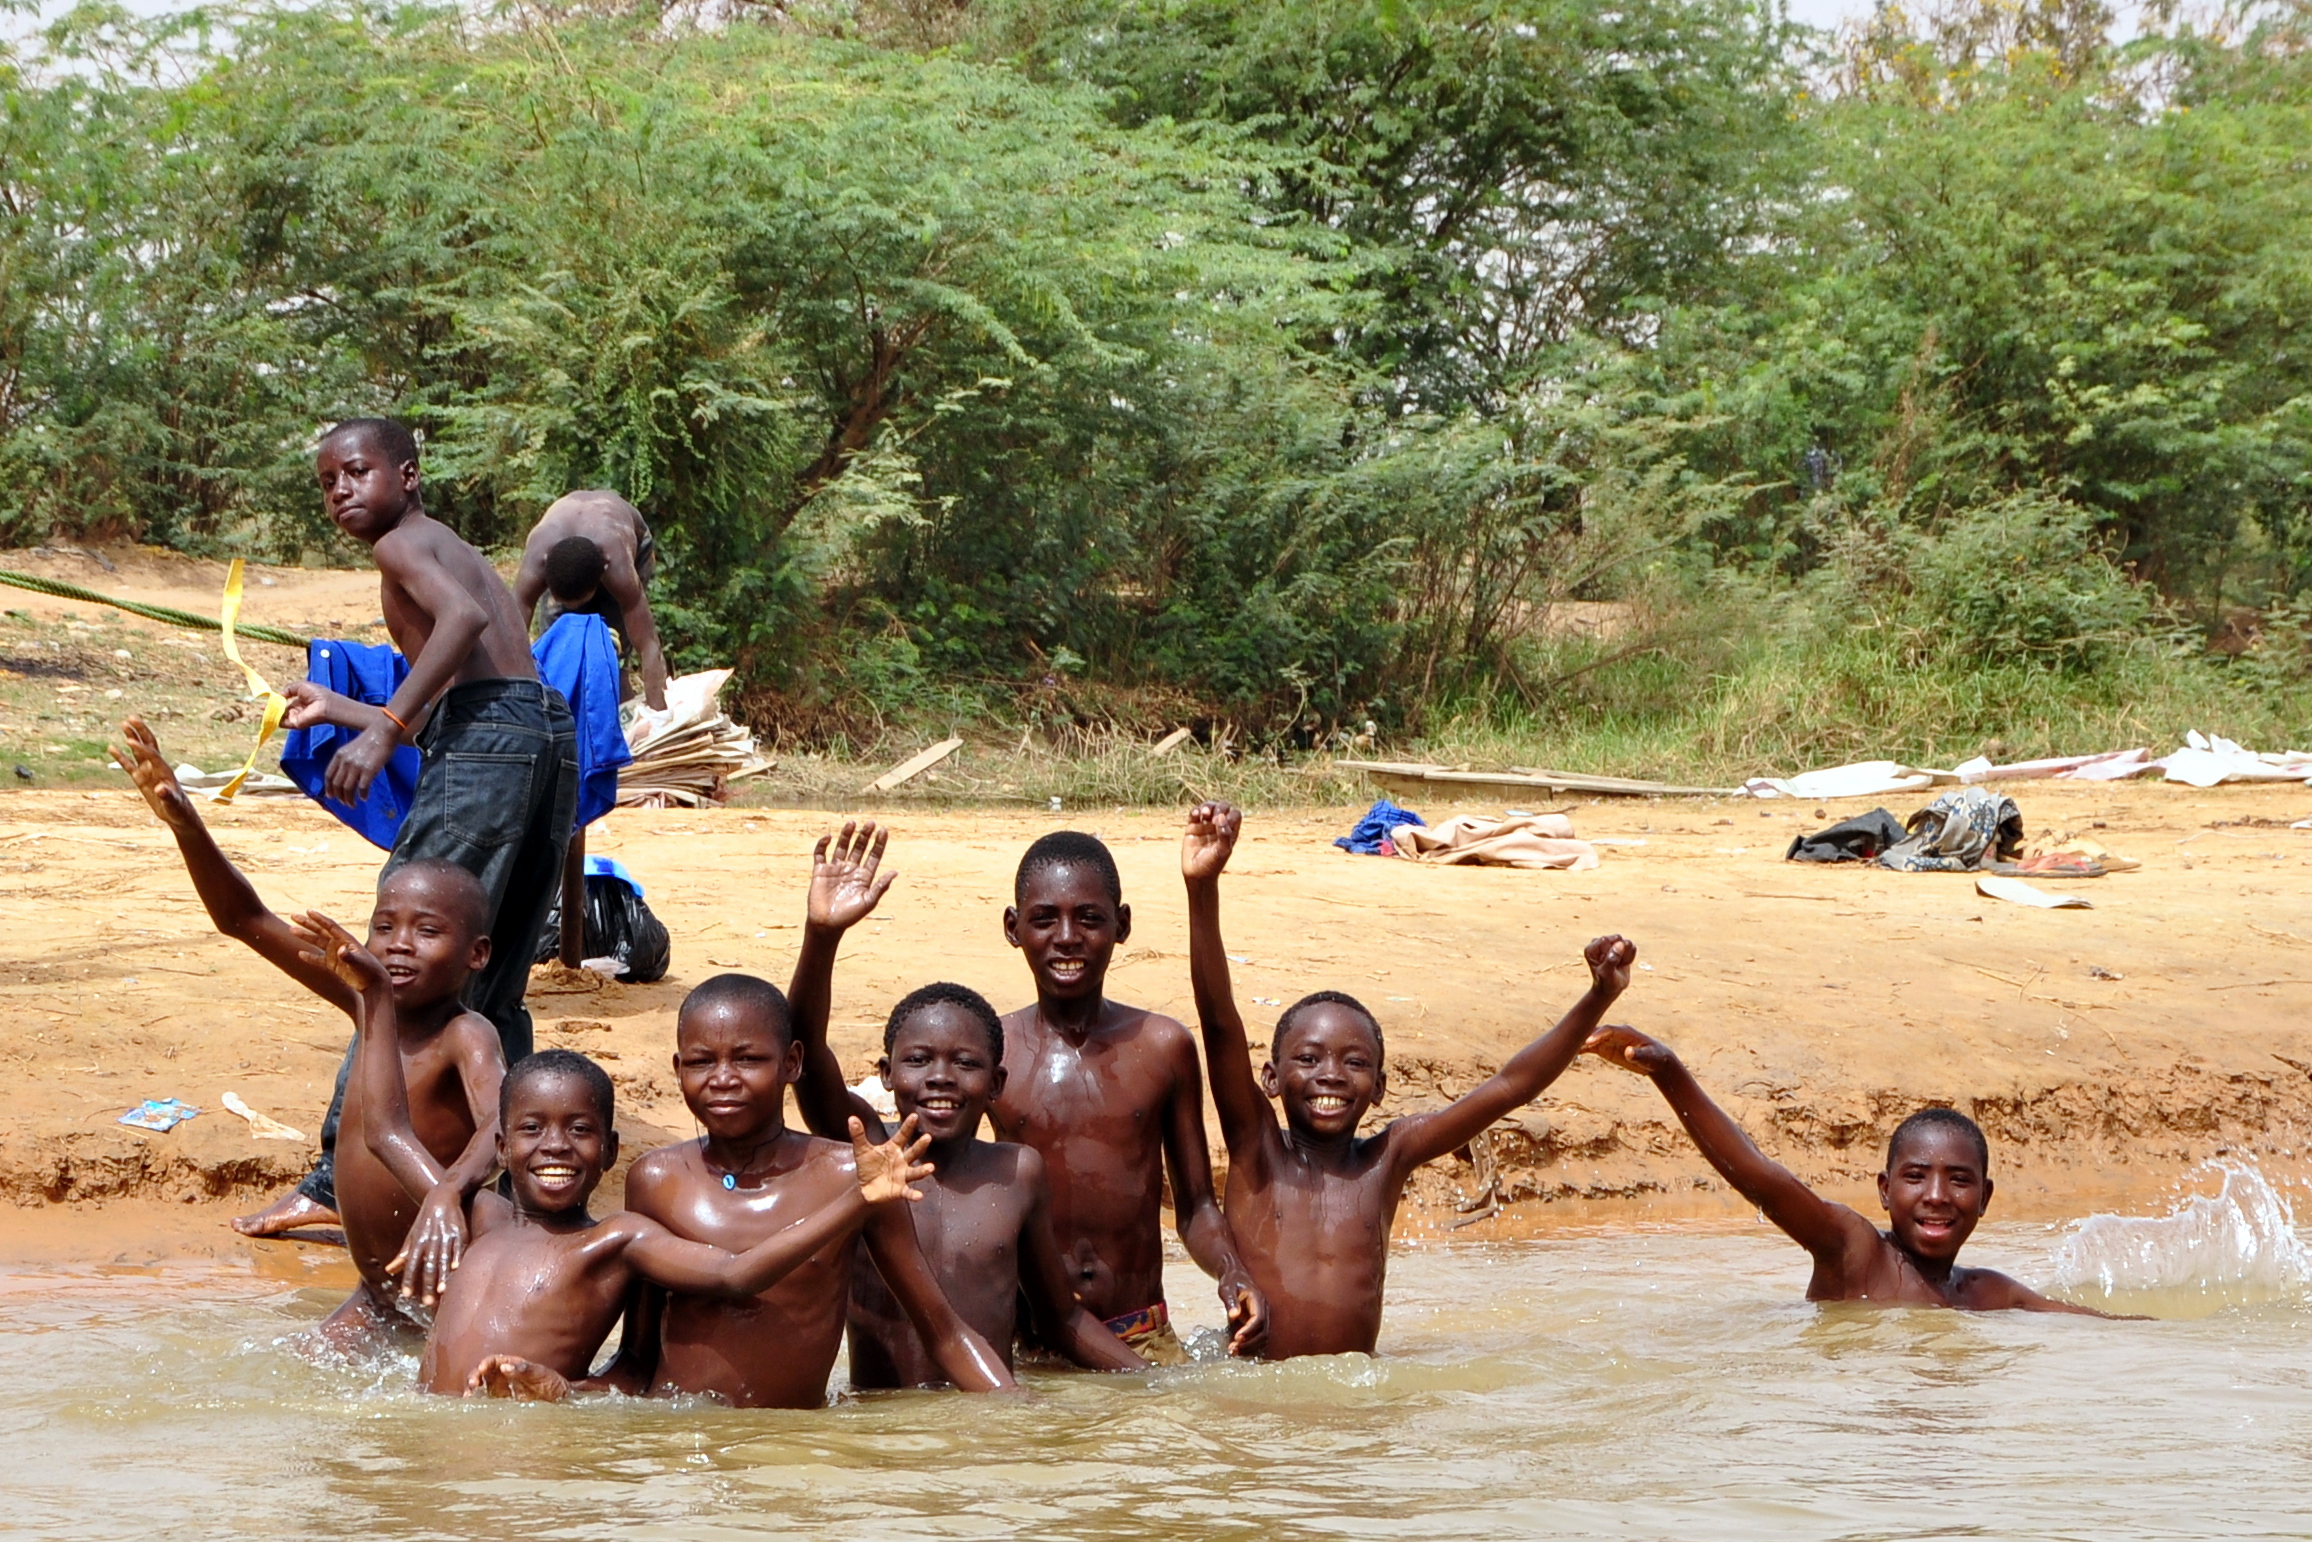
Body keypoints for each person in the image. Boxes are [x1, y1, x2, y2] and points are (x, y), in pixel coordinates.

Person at [294, 911, 939, 1399]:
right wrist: (375, 1000)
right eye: (531, 1130)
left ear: (610, 1153)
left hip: (522, 1454)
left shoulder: (617, 1242)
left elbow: (733, 1276)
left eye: (579, 1131)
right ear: (500, 1146)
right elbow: (385, 1130)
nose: (554, 1146)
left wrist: (857, 1200)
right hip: (429, 1440)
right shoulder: (475, 1217)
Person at [236, 417, 579, 1241]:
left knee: (397, 962)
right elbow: (486, 698)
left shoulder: (399, 547)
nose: (341, 491)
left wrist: (385, 727)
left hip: (494, 742)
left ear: (409, 475)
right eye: (328, 482)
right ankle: (522, 1171)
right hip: (545, 736)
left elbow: (459, 624)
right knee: (491, 976)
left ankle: (336, 1178)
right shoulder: (446, 543)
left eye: (357, 472)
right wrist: (344, 709)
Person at [1182, 800, 1635, 1359]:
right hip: (1256, 1392)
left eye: (1355, 1063)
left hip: (1358, 1401)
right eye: (1309, 1059)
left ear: (1379, 1088)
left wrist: (1598, 997)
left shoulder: (1388, 1158)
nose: (1331, 1075)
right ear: (1271, 1079)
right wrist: (1202, 888)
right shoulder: (1257, 1150)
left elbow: (1510, 1086)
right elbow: (1219, 1023)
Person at [111, 717, 504, 1347]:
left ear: (476, 954)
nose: (399, 945)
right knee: (291, 1374)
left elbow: (501, 1127)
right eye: (384, 927)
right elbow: (243, 917)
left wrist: (447, 1194)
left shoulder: (466, 1035)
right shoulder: (366, 1003)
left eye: (428, 931)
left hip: (448, 1288)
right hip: (378, 1295)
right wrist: (187, 825)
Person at [784, 824, 1146, 1384]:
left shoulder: (1017, 1173)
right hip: (883, 1425)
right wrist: (822, 936)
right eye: (918, 1060)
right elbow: (805, 1059)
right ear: (886, 1075)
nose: (940, 1079)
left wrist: (1159, 1385)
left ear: (997, 1083)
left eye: (965, 1064)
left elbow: (1060, 1318)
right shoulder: (866, 1158)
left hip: (988, 1421)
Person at [609, 972, 1017, 1405]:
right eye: (700, 1062)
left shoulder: (856, 1176)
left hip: (795, 1442)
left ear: (792, 1063)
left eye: (748, 1059)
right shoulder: (656, 1179)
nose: (723, 1078)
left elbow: (945, 1333)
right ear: (677, 1069)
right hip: (678, 1439)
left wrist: (1018, 1407)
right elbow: (635, 1357)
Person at [1581, 1025, 2123, 1315]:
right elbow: (1760, 1177)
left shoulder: (1988, 1295)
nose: (1937, 1195)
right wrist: (1669, 1074)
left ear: (1985, 1197)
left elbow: (2098, 1328)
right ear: (1884, 1190)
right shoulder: (1854, 1251)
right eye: (1916, 1176)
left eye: (1959, 1180)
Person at [990, 829, 1265, 1363]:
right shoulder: (992, 1049)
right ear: (1013, 928)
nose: (1067, 937)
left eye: (1089, 919)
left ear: (1122, 926)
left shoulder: (1161, 1047)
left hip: (1142, 1337)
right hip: (1030, 1348)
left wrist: (1232, 1271)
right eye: (1044, 919)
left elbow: (1196, 1207)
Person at [511, 489, 668, 710]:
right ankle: (557, 712)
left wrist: (659, 716)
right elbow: (510, 637)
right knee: (555, 651)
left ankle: (617, 703)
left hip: (624, 537)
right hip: (565, 549)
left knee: (614, 655)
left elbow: (648, 643)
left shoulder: (617, 566)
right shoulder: (538, 560)